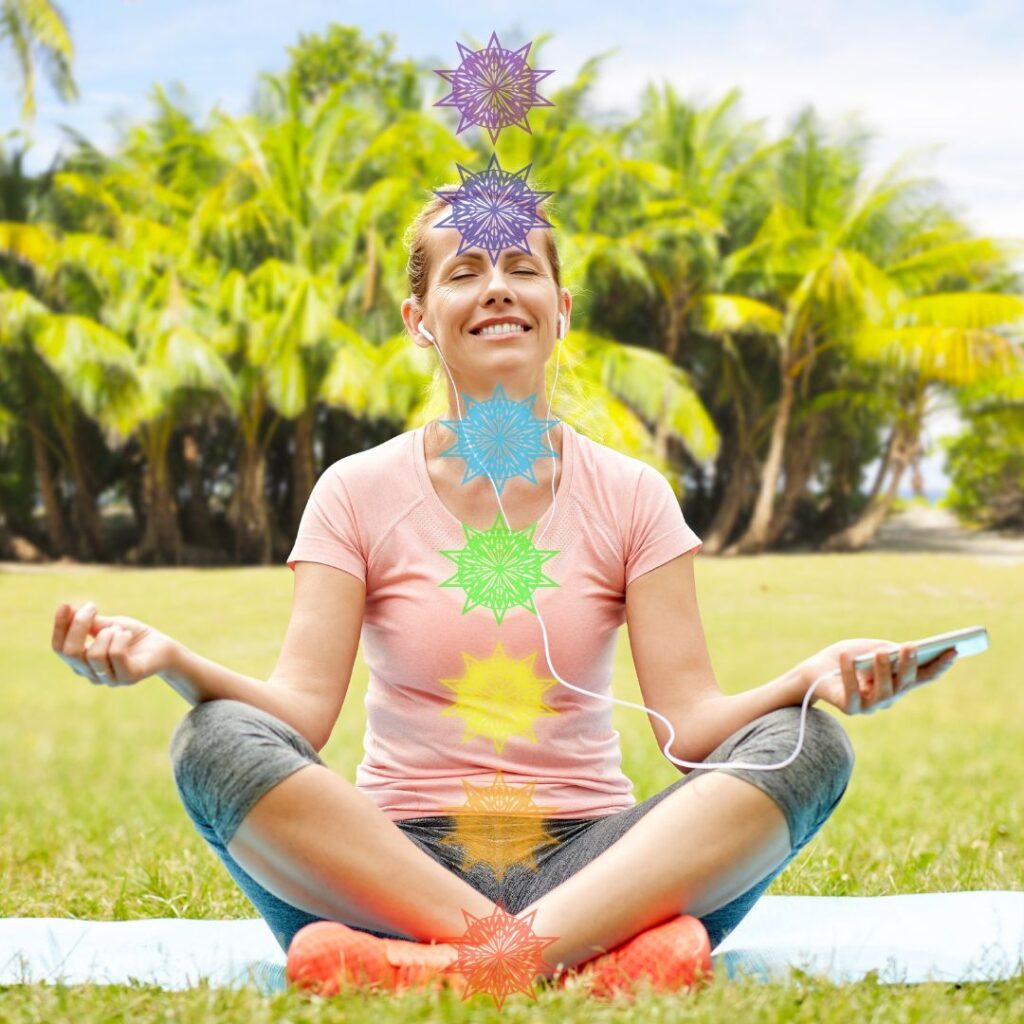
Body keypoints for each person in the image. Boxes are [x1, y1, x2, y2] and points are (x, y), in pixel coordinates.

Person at [51, 193, 959, 1000]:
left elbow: (689, 729)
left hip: (593, 866)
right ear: (419, 316)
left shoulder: (632, 493)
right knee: (211, 739)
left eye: (523, 267)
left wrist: (809, 680)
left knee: (809, 745)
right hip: (393, 865)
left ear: (559, 311)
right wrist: (172, 662)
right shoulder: (354, 491)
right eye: (465, 271)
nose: (496, 287)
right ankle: (588, 963)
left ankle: (454, 966)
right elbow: (299, 715)